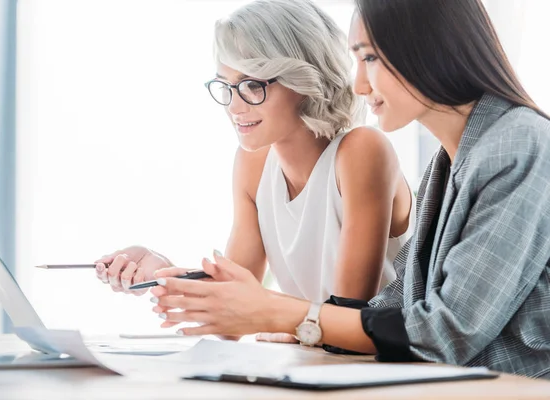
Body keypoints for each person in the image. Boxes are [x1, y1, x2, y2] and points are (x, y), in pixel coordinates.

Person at [151, 0, 550, 379]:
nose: (358, 85)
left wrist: (287, 314)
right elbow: (395, 308)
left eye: (369, 58)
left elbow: (446, 332)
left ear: (429, 48)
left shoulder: (517, 143)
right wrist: (304, 324)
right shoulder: (447, 164)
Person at [95, 0, 415, 342]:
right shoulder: (253, 162)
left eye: (252, 84)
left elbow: (350, 311)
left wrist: (274, 321)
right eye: (226, 86)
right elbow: (234, 302)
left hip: (386, 368)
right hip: (318, 366)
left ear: (304, 79)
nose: (234, 106)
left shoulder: (362, 150)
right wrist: (159, 270)